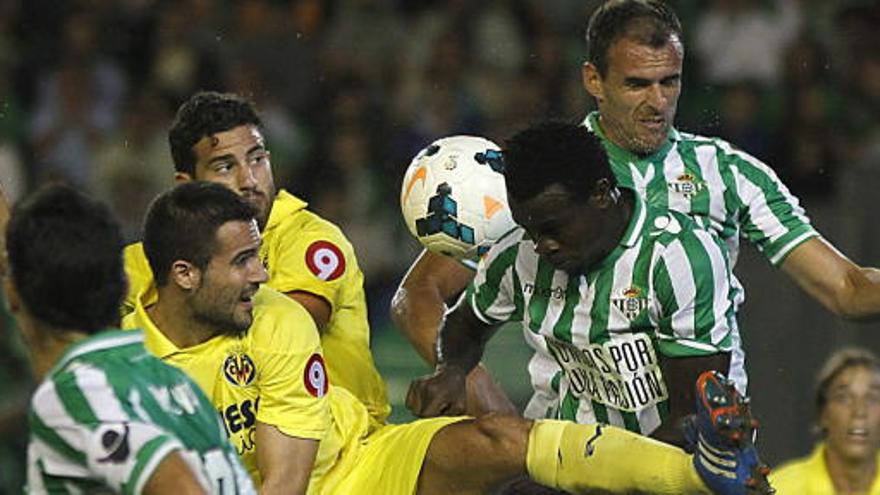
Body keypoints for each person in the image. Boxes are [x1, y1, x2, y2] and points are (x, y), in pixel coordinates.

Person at [397, 0, 880, 431]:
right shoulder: (548, 182)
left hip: (695, 447)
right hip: (569, 447)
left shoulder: (729, 175)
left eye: (669, 81)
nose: (657, 102)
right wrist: (485, 402)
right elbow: (417, 294)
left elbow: (847, 289)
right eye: (636, 84)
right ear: (593, 80)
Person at [124, 180, 771, 495]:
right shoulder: (128, 364)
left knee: (504, 437)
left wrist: (456, 370)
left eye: (260, 255)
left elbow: (289, 479)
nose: (262, 275)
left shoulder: (275, 317)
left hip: (356, 466)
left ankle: (699, 471)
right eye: (241, 262)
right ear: (182, 274)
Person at [409, 121, 742, 450]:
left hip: (669, 468)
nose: (542, 246)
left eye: (553, 228)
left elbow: (695, 420)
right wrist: (451, 370)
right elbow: (466, 324)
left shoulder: (679, 258)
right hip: (571, 458)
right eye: (530, 230)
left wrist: (600, 479)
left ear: (600, 195)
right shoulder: (519, 255)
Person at [122, 90, 390, 423]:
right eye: (224, 166)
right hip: (213, 451)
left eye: (257, 159)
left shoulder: (310, 240)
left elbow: (289, 333)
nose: (248, 180)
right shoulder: (140, 262)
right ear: (185, 185)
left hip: (338, 452)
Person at [4, 184, 254, 494]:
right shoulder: (176, 384)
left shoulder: (78, 392)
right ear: (124, 286)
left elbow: (183, 489)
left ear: (13, 293)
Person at [770, 348, 880, 494]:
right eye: (844, 398)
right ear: (823, 414)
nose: (859, 412)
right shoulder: (779, 489)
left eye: (872, 398)